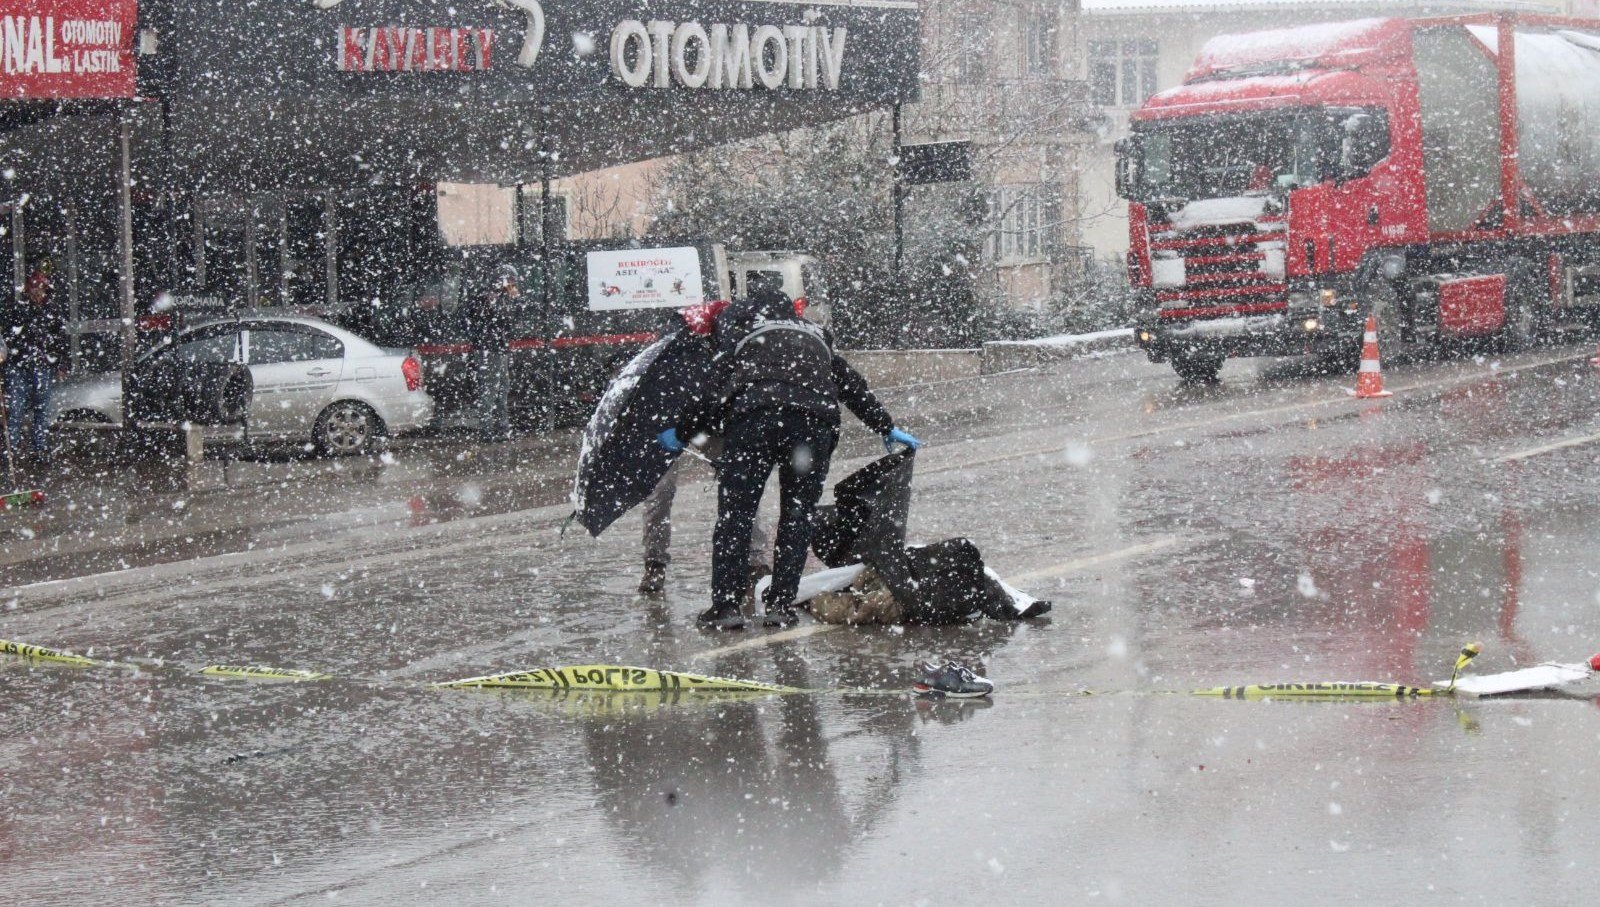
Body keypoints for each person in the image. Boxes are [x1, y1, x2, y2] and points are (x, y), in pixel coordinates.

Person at [659, 277, 921, 630]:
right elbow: (851, 385)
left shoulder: (742, 337)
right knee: (797, 516)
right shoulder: (815, 335)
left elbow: (711, 393)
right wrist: (885, 426)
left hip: (754, 422)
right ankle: (780, 606)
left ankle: (725, 606)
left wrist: (683, 432)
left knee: (735, 516)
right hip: (813, 426)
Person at [638, 454, 773, 596]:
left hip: (711, 434)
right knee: (660, 491)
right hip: (666, 433)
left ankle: (755, 560)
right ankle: (655, 562)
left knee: (739, 480)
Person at [2, 269, 70, 462]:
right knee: (15, 409)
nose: (37, 292)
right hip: (19, 365)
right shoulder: (17, 310)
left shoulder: (52, 311)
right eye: (34, 288)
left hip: (42, 365)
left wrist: (61, 364)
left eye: (41, 288)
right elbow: (8, 337)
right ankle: (11, 450)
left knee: (42, 409)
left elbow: (60, 340)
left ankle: (38, 449)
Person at [462, 265, 517, 441]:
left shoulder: (501, 296)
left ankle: (501, 427)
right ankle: (489, 429)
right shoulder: (487, 297)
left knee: (501, 389)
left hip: (497, 348)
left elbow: (509, 321)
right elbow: (499, 320)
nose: (513, 285)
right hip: (490, 349)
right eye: (511, 281)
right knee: (491, 389)